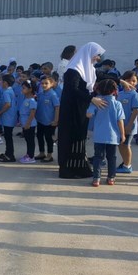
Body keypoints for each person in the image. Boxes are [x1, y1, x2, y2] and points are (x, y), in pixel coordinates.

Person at [57, 42, 106, 179]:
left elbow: (103, 77)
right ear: (89, 53)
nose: (98, 58)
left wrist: (122, 81)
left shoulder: (88, 68)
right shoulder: (73, 70)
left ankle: (79, 167)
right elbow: (73, 89)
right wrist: (92, 99)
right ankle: (68, 169)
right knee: (70, 136)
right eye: (97, 55)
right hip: (71, 110)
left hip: (80, 108)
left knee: (79, 137)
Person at [86, 79, 125, 186]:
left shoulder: (96, 102)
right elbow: (120, 120)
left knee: (98, 157)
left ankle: (96, 178)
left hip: (99, 136)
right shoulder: (117, 104)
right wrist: (122, 134)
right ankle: (111, 178)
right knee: (111, 157)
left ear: (98, 90)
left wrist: (91, 102)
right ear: (114, 90)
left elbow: (89, 115)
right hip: (113, 136)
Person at [116, 71, 138, 174]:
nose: (132, 82)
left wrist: (129, 125)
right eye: (129, 80)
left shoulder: (134, 95)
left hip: (129, 125)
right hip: (120, 125)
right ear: (123, 81)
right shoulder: (120, 94)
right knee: (121, 145)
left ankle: (127, 166)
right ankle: (125, 162)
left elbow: (136, 110)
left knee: (126, 145)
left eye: (134, 81)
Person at [34, 76, 60, 162]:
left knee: (48, 138)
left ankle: (49, 155)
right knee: (39, 136)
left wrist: (56, 120)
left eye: (46, 83)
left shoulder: (53, 95)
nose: (44, 85)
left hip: (49, 121)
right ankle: (42, 152)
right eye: (42, 83)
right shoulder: (40, 94)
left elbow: (57, 107)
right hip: (40, 120)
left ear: (52, 84)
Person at [0, 74, 17, 162]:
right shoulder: (9, 90)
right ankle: (7, 152)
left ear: (5, 83)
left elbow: (8, 104)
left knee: (8, 137)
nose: (0, 83)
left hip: (8, 118)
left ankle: (10, 155)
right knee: (7, 136)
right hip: (10, 117)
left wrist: (0, 112)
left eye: (1, 81)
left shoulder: (6, 92)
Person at [19, 80, 38, 164]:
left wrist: (28, 123)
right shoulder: (26, 99)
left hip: (30, 124)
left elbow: (32, 113)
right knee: (27, 139)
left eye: (24, 88)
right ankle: (28, 154)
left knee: (30, 140)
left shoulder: (32, 101)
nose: (22, 90)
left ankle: (31, 156)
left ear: (30, 89)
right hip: (25, 123)